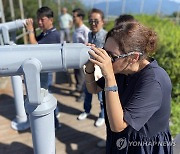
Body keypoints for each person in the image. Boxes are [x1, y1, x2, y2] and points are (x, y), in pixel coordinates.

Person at [85, 22, 173, 153]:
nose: (107, 60)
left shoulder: (153, 82)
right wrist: (89, 68)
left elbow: (118, 125)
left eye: (112, 56)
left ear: (134, 57)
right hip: (121, 140)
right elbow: (93, 89)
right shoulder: (122, 69)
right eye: (104, 52)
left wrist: (109, 76)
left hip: (144, 146)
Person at [25, 6, 61, 130]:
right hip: (43, 71)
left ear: (51, 20)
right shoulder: (45, 34)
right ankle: (55, 116)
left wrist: (30, 31)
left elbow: (35, 46)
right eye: (38, 20)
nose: (39, 22)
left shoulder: (53, 35)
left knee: (44, 96)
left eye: (42, 19)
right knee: (46, 94)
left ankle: (55, 122)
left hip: (46, 73)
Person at [77, 8, 107, 127]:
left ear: (102, 21)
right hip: (90, 68)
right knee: (87, 91)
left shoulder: (105, 36)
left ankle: (102, 115)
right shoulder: (89, 34)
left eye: (96, 21)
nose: (93, 24)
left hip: (100, 70)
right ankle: (86, 110)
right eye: (91, 21)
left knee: (101, 96)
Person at [72, 8, 90, 101]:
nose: (73, 18)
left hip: (82, 57)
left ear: (81, 17)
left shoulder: (85, 30)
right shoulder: (76, 29)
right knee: (77, 74)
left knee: (83, 76)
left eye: (74, 16)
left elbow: (87, 44)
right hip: (75, 56)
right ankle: (79, 89)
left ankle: (83, 94)